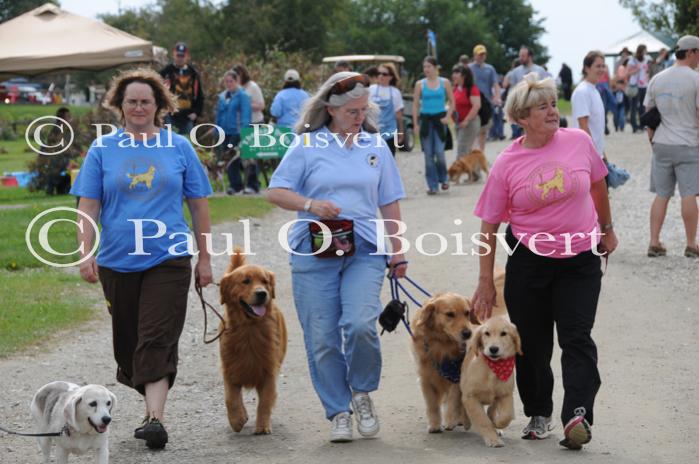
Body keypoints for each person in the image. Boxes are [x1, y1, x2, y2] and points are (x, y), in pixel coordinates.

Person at [471, 72, 618, 451]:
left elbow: (598, 184)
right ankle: (539, 411)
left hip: (580, 258)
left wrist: (607, 227)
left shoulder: (579, 142)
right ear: (522, 117)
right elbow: (488, 226)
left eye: (553, 104)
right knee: (534, 344)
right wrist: (486, 282)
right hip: (529, 262)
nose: (553, 112)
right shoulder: (507, 162)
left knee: (576, 336)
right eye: (543, 107)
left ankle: (577, 415)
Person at [71, 68, 213, 450]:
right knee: (129, 342)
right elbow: (88, 206)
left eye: (145, 101)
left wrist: (205, 260)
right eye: (131, 101)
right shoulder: (103, 150)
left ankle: (155, 419)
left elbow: (199, 207)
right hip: (118, 260)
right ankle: (149, 396)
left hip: (169, 257)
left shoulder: (178, 147)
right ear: (120, 105)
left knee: (156, 336)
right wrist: (86, 252)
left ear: (159, 106)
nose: (138, 107)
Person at [266, 72, 407, 443]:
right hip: (314, 248)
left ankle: (361, 392)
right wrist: (310, 204)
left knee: (360, 324)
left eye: (363, 110)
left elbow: (389, 201)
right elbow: (276, 192)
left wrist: (399, 250)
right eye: (351, 111)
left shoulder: (375, 145)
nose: (359, 116)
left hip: (365, 249)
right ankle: (338, 410)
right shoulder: (307, 145)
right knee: (322, 337)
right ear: (330, 109)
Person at [643, 35, 699, 258]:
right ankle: (691, 244)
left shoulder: (657, 79)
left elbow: (648, 115)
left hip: (662, 143)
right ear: (692, 52)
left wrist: (653, 141)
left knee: (662, 194)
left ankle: (654, 242)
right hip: (688, 144)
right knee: (689, 194)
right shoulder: (695, 79)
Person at [412, 56, 456, 195]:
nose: (426, 70)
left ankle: (444, 179)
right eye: (424, 67)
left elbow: (452, 102)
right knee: (428, 155)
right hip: (425, 121)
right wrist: (415, 124)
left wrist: (448, 117)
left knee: (439, 152)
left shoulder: (445, 82)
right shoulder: (420, 84)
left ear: (436, 67)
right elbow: (415, 104)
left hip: (439, 120)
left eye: (429, 67)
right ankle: (432, 185)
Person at [215, 69, 252, 195]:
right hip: (225, 131)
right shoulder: (223, 96)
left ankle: (237, 185)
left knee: (232, 158)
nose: (229, 84)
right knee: (226, 158)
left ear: (236, 81)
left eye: (231, 81)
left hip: (236, 131)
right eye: (227, 82)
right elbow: (219, 114)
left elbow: (245, 114)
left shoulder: (243, 96)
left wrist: (243, 130)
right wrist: (217, 129)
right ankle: (234, 184)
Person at [159, 42, 204, 135]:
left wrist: (196, 113)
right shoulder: (166, 72)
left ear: (187, 56)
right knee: (170, 142)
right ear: (174, 55)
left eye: (182, 56)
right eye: (178, 55)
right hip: (170, 116)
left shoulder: (193, 73)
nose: (180, 58)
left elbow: (199, 95)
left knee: (187, 142)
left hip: (188, 116)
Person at [233, 63, 264, 194]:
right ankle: (238, 184)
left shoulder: (253, 87)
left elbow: (261, 105)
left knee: (251, 156)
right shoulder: (235, 89)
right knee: (239, 155)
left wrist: (246, 104)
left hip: (254, 123)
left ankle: (253, 183)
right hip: (239, 124)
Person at [572, 51, 607, 159]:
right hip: (588, 155)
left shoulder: (594, 90)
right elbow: (583, 126)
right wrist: (595, 156)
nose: (601, 70)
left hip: (597, 154)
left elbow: (597, 128)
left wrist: (603, 155)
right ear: (587, 68)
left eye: (603, 66)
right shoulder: (582, 92)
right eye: (597, 66)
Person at [507, 46, 548, 138]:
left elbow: (545, 90)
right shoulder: (515, 72)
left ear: (530, 57)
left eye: (523, 56)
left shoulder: (540, 71)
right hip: (521, 108)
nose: (520, 58)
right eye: (520, 56)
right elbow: (512, 89)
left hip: (536, 107)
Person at [469, 44, 501, 151]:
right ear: (474, 55)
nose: (482, 56)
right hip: (473, 102)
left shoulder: (490, 69)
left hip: (486, 103)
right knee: (473, 128)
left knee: (483, 130)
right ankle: (472, 153)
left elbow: (496, 84)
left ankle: (481, 153)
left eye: (483, 54)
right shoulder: (469, 68)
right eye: (479, 54)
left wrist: (497, 97)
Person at [369, 62, 405, 156]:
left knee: (389, 161)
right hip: (373, 133)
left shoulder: (395, 92)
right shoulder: (371, 90)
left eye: (384, 74)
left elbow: (398, 115)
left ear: (391, 77)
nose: (381, 76)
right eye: (379, 73)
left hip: (390, 133)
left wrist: (400, 132)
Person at [451, 64, 481, 159]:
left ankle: (456, 172)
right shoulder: (455, 88)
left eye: (457, 73)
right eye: (453, 72)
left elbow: (476, 106)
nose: (454, 75)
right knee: (469, 150)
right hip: (459, 123)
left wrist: (466, 120)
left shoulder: (472, 89)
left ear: (464, 76)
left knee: (462, 149)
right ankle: (475, 173)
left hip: (470, 123)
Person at [626, 44, 650, 133]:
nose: (646, 51)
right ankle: (634, 126)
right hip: (635, 86)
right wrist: (637, 69)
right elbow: (628, 72)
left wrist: (647, 78)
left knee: (643, 107)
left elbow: (647, 71)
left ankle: (642, 125)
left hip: (644, 85)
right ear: (641, 50)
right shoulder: (632, 60)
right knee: (634, 107)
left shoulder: (646, 59)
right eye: (645, 49)